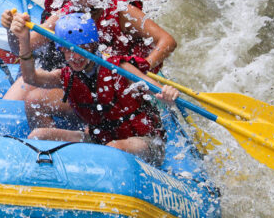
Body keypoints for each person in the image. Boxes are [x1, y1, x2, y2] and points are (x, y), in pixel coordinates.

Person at [2, 0, 177, 106]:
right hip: (84, 79)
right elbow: (22, 47)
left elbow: (167, 41)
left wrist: (143, 67)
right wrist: (13, 31)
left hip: (121, 83)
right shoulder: (66, 13)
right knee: (19, 100)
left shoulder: (120, 11)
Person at [10, 11, 179, 165]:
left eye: (81, 49)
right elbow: (30, 77)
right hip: (98, 139)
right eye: (67, 51)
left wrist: (167, 93)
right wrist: (24, 40)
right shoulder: (65, 75)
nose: (74, 57)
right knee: (38, 136)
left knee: (113, 148)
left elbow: (155, 89)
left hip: (143, 141)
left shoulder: (120, 68)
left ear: (92, 46)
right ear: (61, 50)